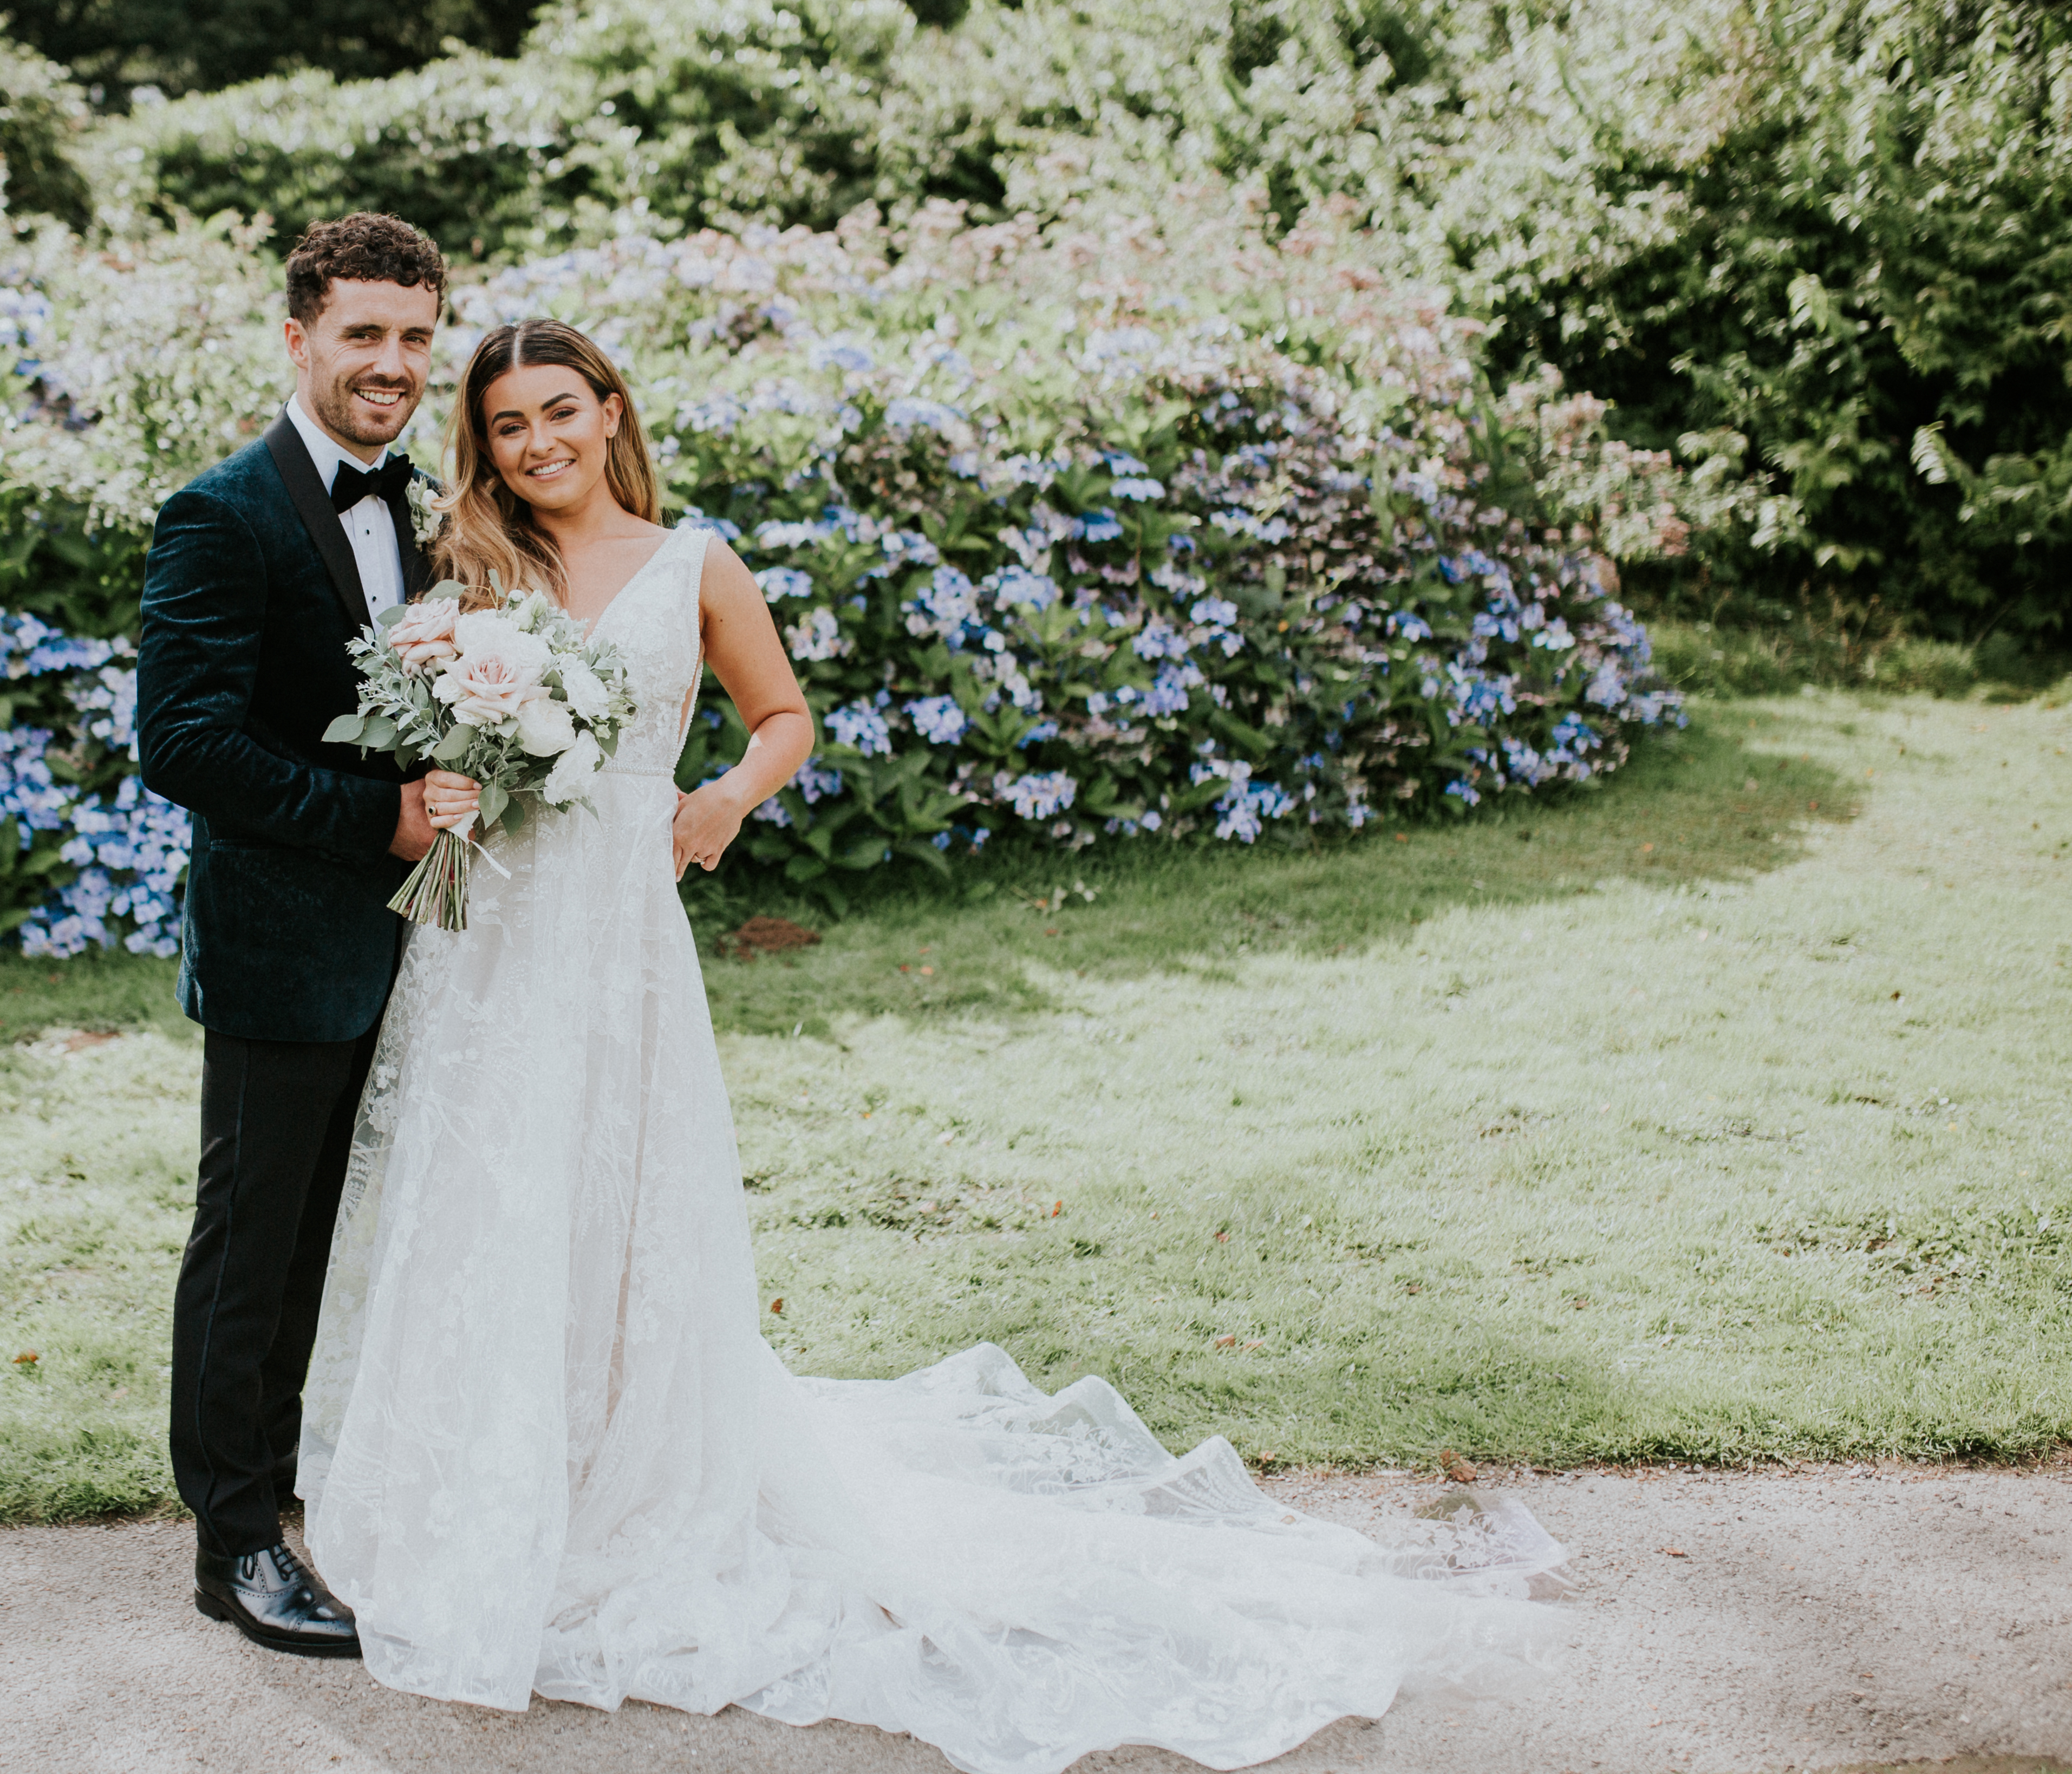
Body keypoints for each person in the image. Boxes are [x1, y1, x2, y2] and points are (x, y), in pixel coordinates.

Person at [292, 317, 1568, 1772]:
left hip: (620, 934)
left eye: (560, 413)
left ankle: (618, 1468)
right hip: (494, 938)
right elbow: (427, 735)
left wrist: (721, 802)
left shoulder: (693, 562)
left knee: (611, 1191)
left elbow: (785, 717)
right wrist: (448, 775)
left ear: (610, 411)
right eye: (511, 424)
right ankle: (482, 1471)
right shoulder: (475, 574)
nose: (538, 445)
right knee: (486, 1196)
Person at [133, 212, 451, 1658]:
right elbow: (184, 743)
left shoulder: (427, 504)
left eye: (414, 338)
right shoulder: (224, 512)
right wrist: (372, 823)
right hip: (281, 939)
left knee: (322, 1238)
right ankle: (236, 1543)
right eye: (364, 336)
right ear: (299, 337)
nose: (392, 365)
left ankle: (287, 1494)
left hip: (411, 945)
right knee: (253, 1242)